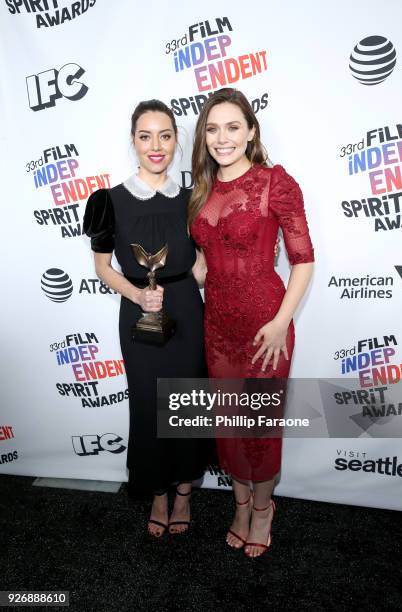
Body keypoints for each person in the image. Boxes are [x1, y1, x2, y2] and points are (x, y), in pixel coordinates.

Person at [189, 88, 314, 558]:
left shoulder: (274, 183)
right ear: (204, 135)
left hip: (266, 326)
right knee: (229, 423)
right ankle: (239, 505)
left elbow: (303, 261)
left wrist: (283, 321)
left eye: (233, 126)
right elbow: (204, 266)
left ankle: (263, 510)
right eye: (213, 128)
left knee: (259, 427)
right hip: (217, 324)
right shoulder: (202, 189)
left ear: (251, 131)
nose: (223, 138)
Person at [83, 100, 209, 537]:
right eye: (145, 136)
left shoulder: (193, 199)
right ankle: (157, 493)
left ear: (176, 141)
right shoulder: (108, 201)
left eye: (165, 135)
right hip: (138, 314)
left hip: (188, 312)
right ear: (133, 141)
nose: (156, 146)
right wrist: (138, 293)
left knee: (189, 402)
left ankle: (185, 495)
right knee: (149, 403)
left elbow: (199, 268)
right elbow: (102, 268)